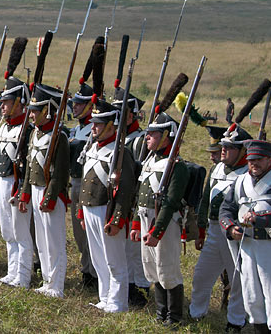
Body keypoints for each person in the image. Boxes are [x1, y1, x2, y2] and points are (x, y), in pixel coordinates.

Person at [219, 139, 271, 334]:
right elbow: (226, 209)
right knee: (252, 299)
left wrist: (260, 218)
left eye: (259, 159)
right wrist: (230, 227)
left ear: (269, 160)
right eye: (251, 160)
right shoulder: (240, 182)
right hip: (247, 245)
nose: (254, 164)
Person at [129, 112, 190, 327]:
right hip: (146, 219)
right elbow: (141, 196)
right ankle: (161, 312)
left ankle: (174, 317)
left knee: (167, 268)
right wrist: (136, 223)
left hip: (165, 223)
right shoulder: (149, 161)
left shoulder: (177, 166)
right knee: (151, 267)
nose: (147, 138)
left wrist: (157, 231)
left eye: (153, 134)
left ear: (166, 136)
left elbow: (171, 203)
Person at [77, 100, 137, 313]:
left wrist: (117, 219)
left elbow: (126, 191)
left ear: (112, 125)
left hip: (107, 210)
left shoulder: (120, 153)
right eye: (93, 123)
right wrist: (80, 211)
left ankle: (118, 302)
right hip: (90, 207)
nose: (93, 127)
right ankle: (105, 297)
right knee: (98, 258)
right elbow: (85, 181)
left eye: (99, 124)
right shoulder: (93, 147)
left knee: (114, 260)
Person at [190, 124, 248, 331]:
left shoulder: (247, 174)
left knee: (237, 279)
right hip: (214, 230)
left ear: (242, 151)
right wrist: (201, 230)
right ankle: (196, 313)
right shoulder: (216, 169)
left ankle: (236, 320)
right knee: (201, 275)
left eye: (229, 147)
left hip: (235, 232)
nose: (223, 150)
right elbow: (206, 199)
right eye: (223, 145)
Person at [19, 84, 70, 298]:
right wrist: (25, 194)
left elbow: (59, 174)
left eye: (35, 111)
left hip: (51, 195)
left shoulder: (59, 137)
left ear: (47, 110)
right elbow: (30, 167)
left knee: (54, 241)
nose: (31, 115)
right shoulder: (35, 135)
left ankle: (57, 285)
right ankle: (47, 281)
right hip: (37, 190)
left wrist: (49, 198)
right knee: (41, 239)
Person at [0, 73, 33, 287]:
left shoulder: (27, 130)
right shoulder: (3, 127)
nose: (2, 106)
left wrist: (22, 191)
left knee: (21, 233)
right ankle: (12, 271)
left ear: (19, 102)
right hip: (3, 182)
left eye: (7, 102)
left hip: (17, 185)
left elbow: (28, 165)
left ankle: (24, 276)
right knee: (7, 231)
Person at [112, 90, 150, 306]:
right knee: (123, 249)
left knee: (135, 250)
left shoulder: (140, 141)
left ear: (131, 115)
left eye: (121, 112)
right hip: (118, 199)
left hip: (134, 200)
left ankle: (140, 288)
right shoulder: (117, 137)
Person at [69, 82, 97, 289]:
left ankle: (91, 272)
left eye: (79, 104)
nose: (74, 107)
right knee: (79, 232)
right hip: (74, 183)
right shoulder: (75, 130)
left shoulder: (93, 131)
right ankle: (86, 265)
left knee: (89, 232)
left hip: (89, 185)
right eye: (74, 104)